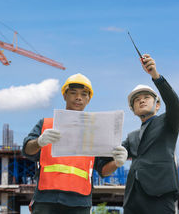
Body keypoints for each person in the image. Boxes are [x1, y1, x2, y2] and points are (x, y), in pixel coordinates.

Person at [22, 73, 128, 214]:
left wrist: (118, 162)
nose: (78, 97)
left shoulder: (95, 131)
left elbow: (103, 169)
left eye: (84, 94)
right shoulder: (46, 124)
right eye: (73, 93)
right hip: (46, 198)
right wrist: (39, 141)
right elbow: (27, 150)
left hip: (79, 201)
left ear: (88, 99)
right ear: (65, 96)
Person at [122, 54, 179, 214]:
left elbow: (175, 105)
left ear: (157, 106)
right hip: (133, 199)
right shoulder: (131, 137)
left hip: (159, 194)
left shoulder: (168, 122)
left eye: (146, 97)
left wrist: (155, 76)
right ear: (133, 110)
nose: (141, 101)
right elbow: (114, 153)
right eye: (136, 100)